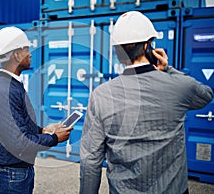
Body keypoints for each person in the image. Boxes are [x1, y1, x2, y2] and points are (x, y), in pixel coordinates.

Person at [79, 11, 213, 194]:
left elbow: (90, 159)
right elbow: (206, 95)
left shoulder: (101, 95)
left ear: (118, 52)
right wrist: (168, 70)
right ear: (148, 46)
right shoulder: (178, 85)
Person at [0, 26, 73, 194]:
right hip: (10, 174)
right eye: (26, 49)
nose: (30, 53)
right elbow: (18, 143)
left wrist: (44, 130)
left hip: (15, 171)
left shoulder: (10, 85)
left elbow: (17, 126)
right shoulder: (4, 91)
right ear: (16, 55)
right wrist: (53, 138)